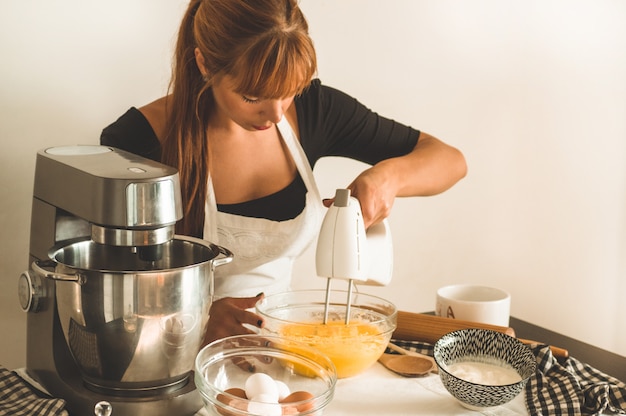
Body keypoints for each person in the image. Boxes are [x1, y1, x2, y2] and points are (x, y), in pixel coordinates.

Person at [101, 0, 467, 345]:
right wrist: (192, 318)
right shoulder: (137, 140)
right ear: (205, 64)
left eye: (289, 91)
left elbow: (450, 161)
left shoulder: (314, 111)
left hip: (278, 350)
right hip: (166, 360)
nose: (276, 114)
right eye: (252, 97)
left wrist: (387, 178)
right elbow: (109, 290)